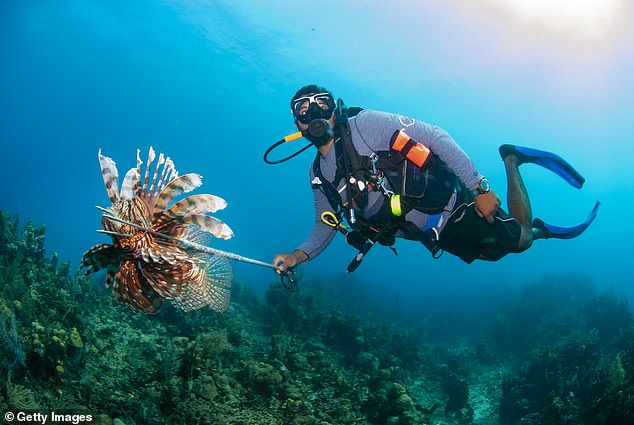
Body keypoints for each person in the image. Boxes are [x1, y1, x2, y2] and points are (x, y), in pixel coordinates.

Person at [272, 84, 599, 273]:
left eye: (322, 104)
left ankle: (512, 159)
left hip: (455, 207)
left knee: (520, 242)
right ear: (297, 124)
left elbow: (435, 136)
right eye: (303, 110)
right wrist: (297, 256)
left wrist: (479, 187)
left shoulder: (364, 124)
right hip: (432, 232)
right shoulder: (317, 172)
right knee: (490, 254)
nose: (314, 114)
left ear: (334, 108)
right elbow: (325, 222)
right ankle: (535, 226)